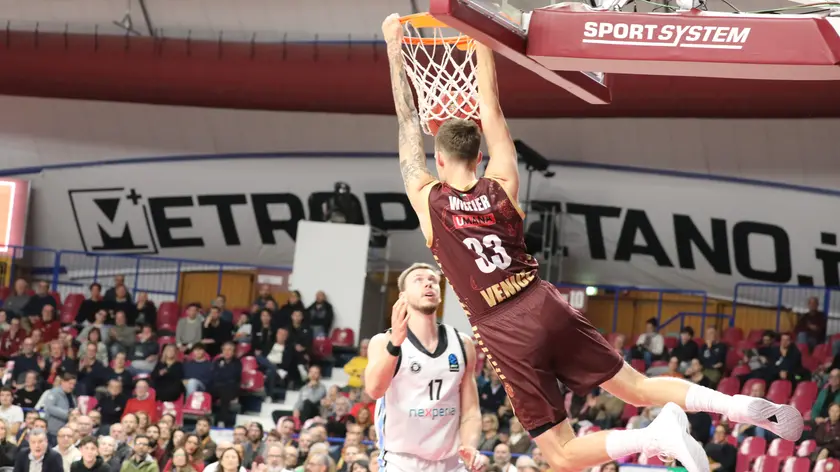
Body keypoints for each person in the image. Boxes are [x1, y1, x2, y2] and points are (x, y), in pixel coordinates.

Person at [380, 13, 803, 472]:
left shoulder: (428, 202)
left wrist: (392, 45)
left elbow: (407, 126)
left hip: (500, 327)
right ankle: (739, 408)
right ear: (478, 156)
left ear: (438, 158)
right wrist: (483, 45)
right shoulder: (501, 183)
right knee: (637, 387)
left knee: (560, 454)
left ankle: (653, 435)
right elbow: (492, 110)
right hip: (541, 301)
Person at [365, 264, 481, 472]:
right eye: (418, 279)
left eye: (434, 280)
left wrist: (470, 445)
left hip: (452, 462)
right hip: (401, 462)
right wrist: (395, 344)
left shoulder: (463, 344)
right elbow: (374, 390)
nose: (428, 283)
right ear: (402, 296)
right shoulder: (383, 341)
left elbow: (471, 409)